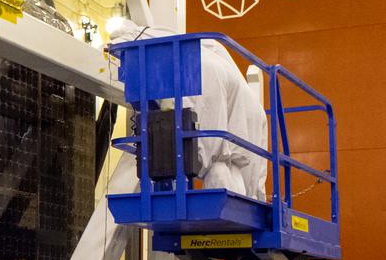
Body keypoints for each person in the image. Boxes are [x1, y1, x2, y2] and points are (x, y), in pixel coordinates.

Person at [111, 21, 268, 200]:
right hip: (251, 116)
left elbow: (205, 139)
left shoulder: (190, 65)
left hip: (214, 94)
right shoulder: (197, 52)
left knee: (216, 160)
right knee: (232, 165)